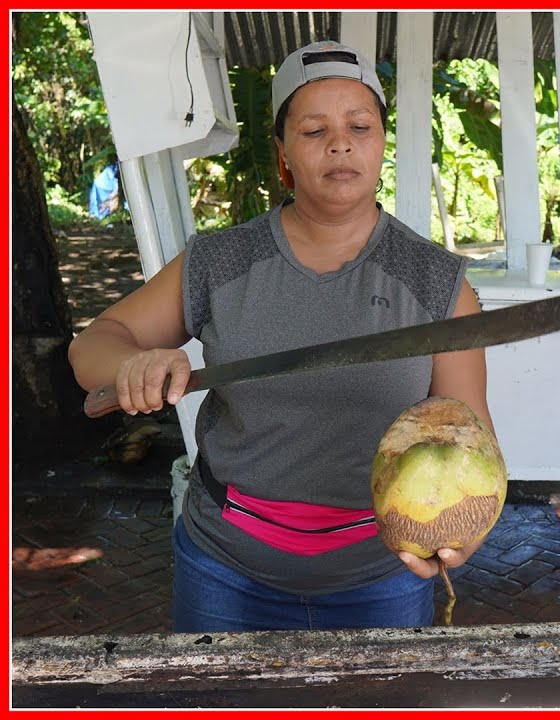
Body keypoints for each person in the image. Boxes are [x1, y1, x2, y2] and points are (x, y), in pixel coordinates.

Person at [67, 40, 492, 632]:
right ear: (283, 154)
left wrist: (466, 528)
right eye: (314, 130)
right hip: (224, 570)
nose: (340, 143)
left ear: (380, 143)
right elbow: (92, 346)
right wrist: (130, 365)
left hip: (382, 575)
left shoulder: (436, 282)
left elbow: (472, 437)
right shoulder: (220, 261)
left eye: (360, 126)